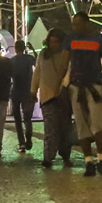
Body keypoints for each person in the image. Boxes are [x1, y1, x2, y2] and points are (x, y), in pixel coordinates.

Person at [69, 11, 102, 176]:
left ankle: (96, 160)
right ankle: (94, 161)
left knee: (91, 126)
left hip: (82, 86)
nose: (75, 27)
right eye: (74, 24)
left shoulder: (72, 39)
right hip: (89, 87)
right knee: (88, 126)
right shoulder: (97, 39)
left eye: (78, 24)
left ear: (86, 23)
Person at [34, 29, 73, 169]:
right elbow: (37, 73)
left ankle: (65, 155)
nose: (54, 44)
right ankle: (48, 157)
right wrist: (33, 91)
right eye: (51, 41)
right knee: (50, 128)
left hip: (64, 96)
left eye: (56, 41)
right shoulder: (43, 55)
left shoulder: (67, 54)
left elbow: (69, 73)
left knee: (64, 128)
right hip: (47, 96)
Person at [9, 40, 37, 154]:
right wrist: (33, 49)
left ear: (15, 48)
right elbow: (39, 62)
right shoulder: (29, 58)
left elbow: (9, 75)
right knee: (27, 119)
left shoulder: (12, 61)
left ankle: (21, 143)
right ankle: (29, 139)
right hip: (28, 91)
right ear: (24, 48)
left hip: (15, 91)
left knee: (17, 120)